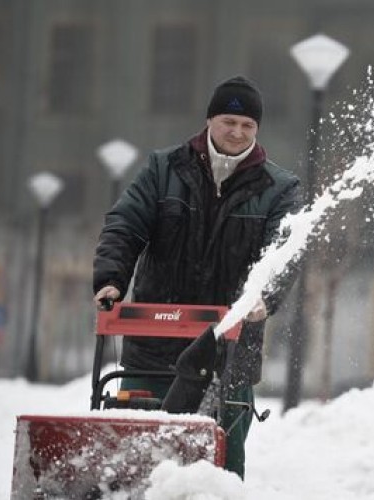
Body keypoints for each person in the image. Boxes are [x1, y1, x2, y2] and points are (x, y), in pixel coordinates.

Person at [92, 75, 302, 479]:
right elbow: (125, 225)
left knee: (222, 457)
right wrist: (111, 278)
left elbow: (283, 252)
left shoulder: (280, 188)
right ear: (210, 120)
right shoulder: (163, 169)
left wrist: (264, 296)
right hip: (153, 344)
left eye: (248, 126)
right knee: (140, 450)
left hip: (230, 349)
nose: (237, 132)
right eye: (229, 121)